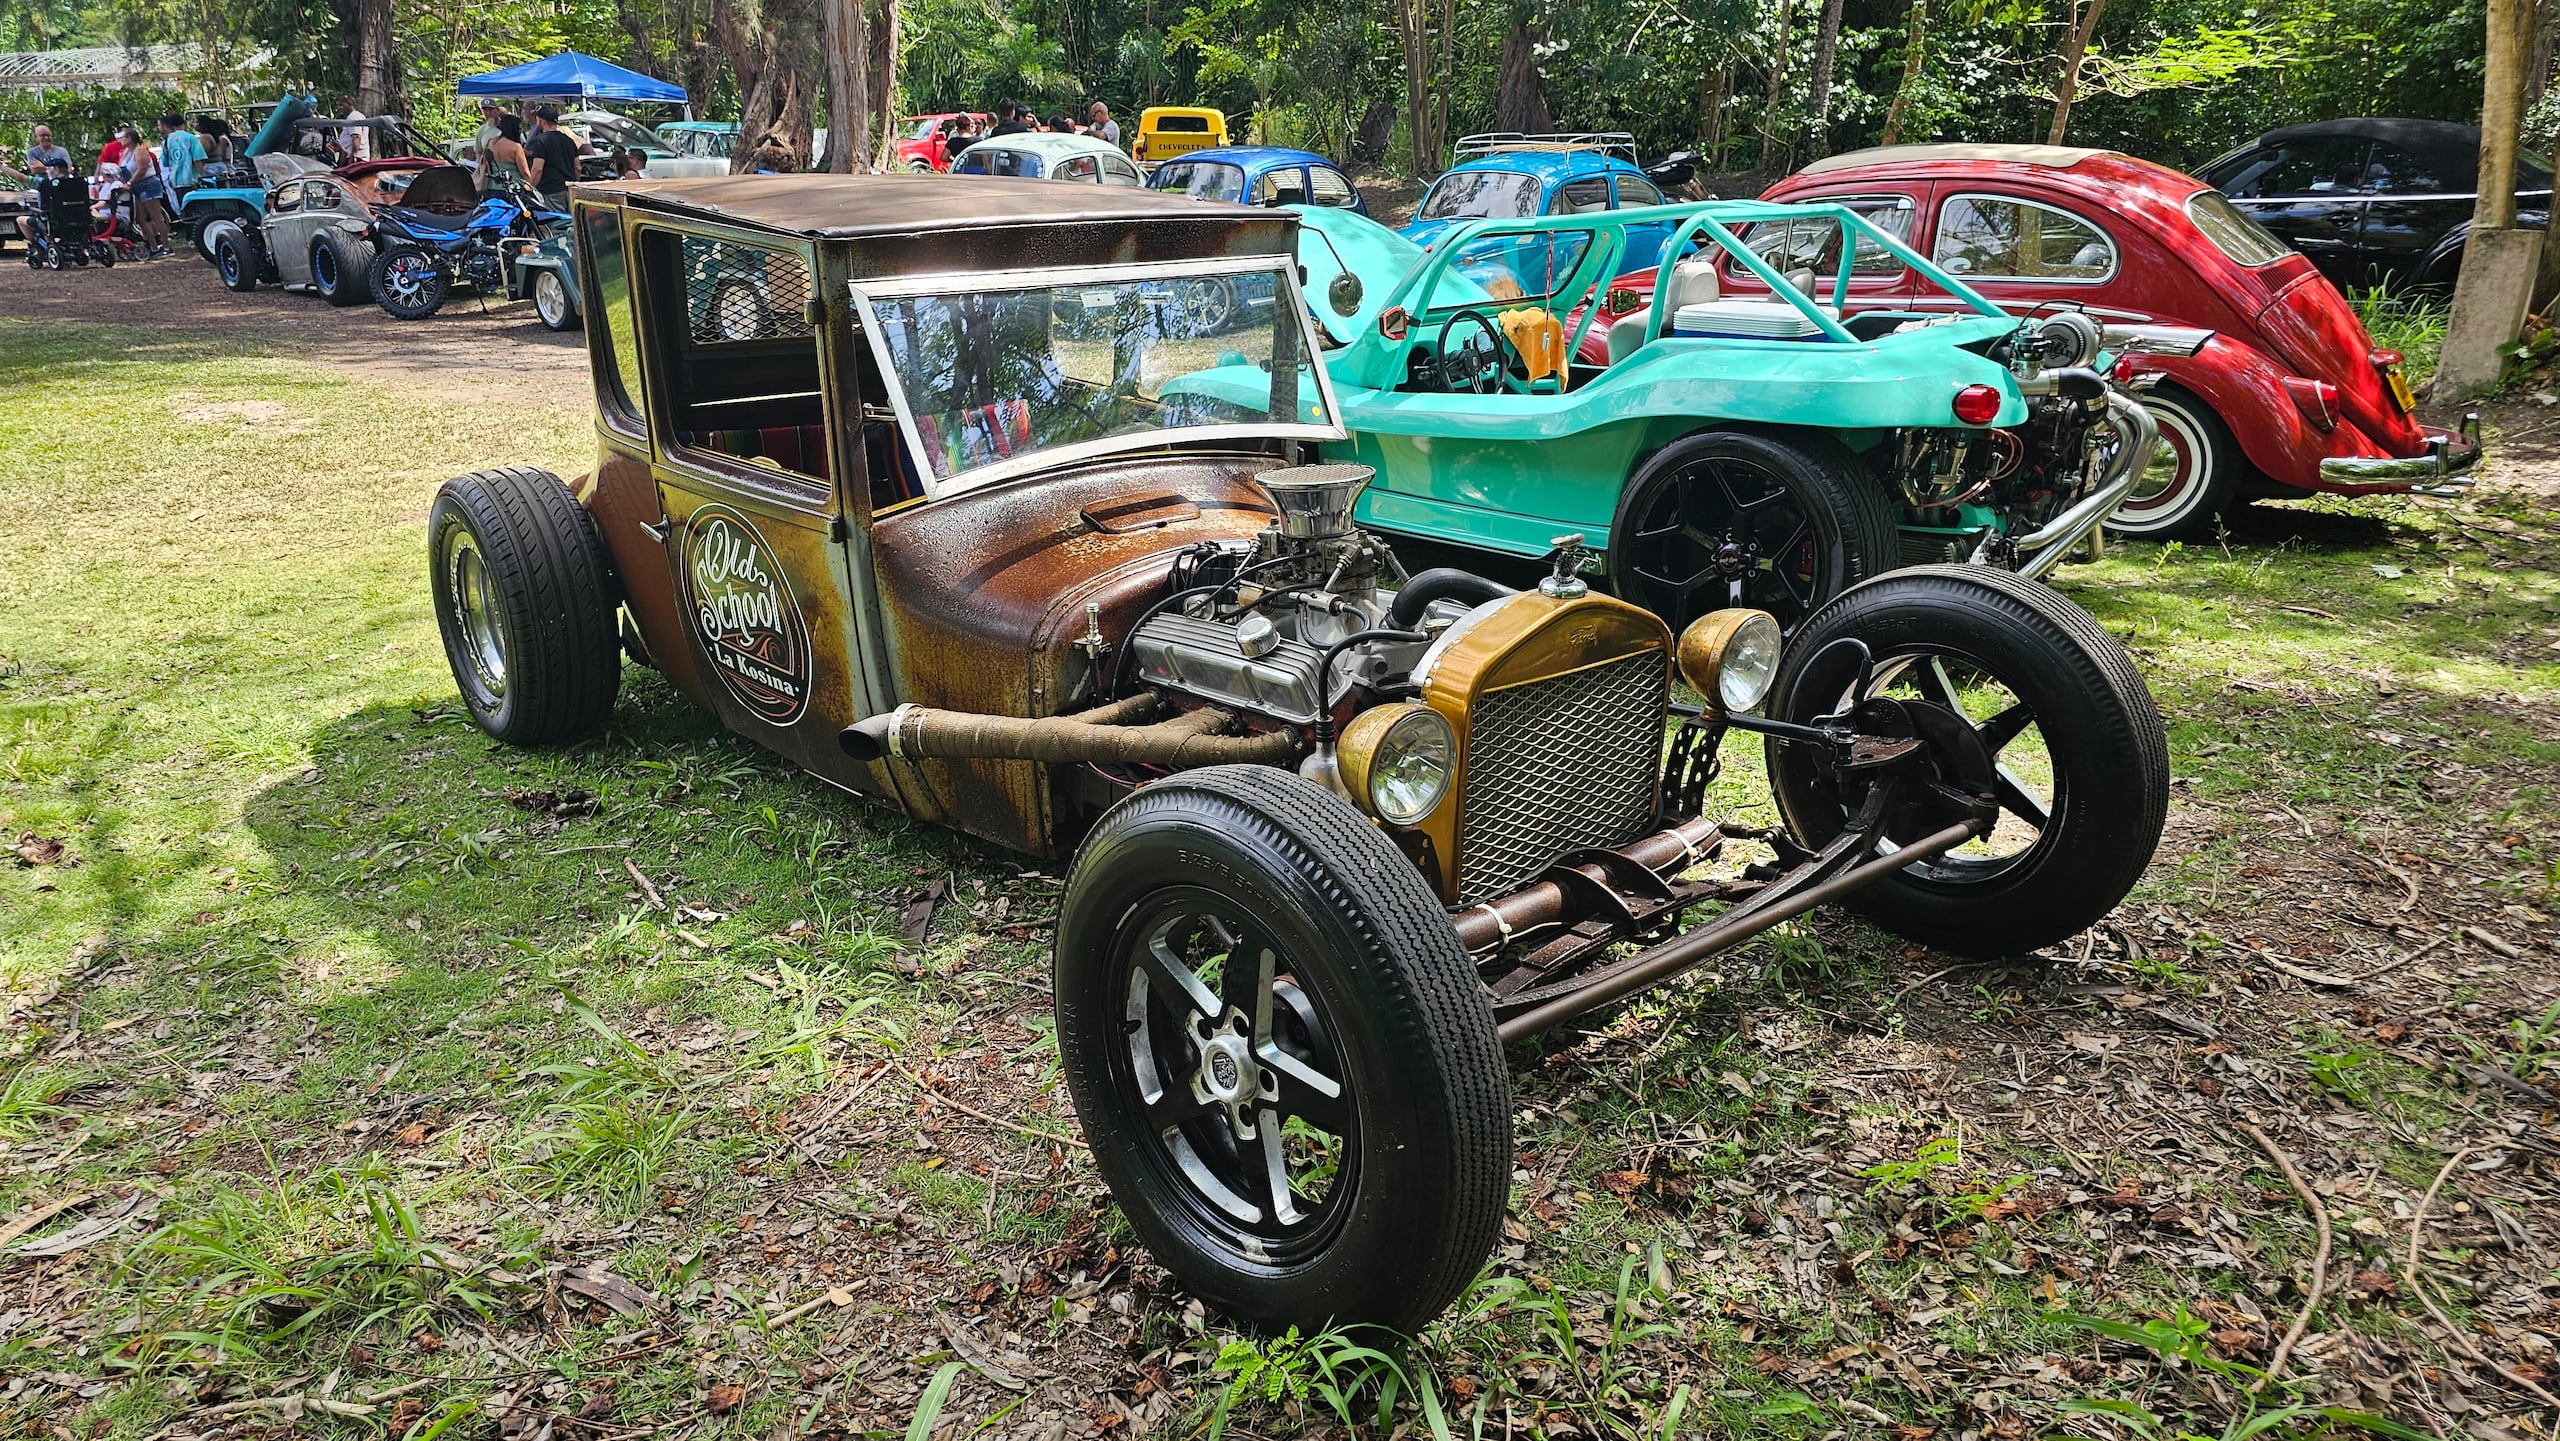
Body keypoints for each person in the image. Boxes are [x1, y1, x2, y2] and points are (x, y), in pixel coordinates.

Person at [117, 125, 171, 257]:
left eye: (122, 137)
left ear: (130, 138)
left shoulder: (139, 151)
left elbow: (142, 169)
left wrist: (129, 182)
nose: (120, 140)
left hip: (147, 184)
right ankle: (152, 246)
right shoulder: (125, 153)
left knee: (155, 216)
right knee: (140, 218)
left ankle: (166, 246)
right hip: (136, 187)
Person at [522, 104, 581, 204]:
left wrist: (530, 188)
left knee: (556, 219)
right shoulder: (569, 140)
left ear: (542, 121)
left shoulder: (541, 141)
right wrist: (575, 183)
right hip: (569, 189)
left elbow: (537, 169)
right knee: (572, 219)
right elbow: (578, 167)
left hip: (551, 191)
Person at [158, 112, 206, 201]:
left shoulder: (167, 141)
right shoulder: (191, 138)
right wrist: (203, 176)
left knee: (183, 206)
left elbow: (165, 162)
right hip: (191, 180)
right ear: (183, 123)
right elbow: (197, 160)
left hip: (175, 181)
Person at [480, 113, 531, 192]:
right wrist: (531, 187)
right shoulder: (516, 147)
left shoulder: (491, 143)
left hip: (494, 186)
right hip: (513, 188)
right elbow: (525, 173)